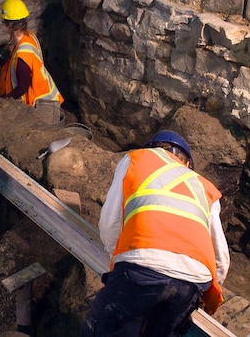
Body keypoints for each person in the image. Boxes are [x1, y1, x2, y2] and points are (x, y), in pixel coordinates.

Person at [80, 130, 230, 337]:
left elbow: (110, 222)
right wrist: (205, 294)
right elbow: (220, 258)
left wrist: (118, 259)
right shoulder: (205, 187)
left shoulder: (137, 158)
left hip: (142, 270)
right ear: (187, 163)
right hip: (192, 281)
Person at [0, 0, 64, 109]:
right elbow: (17, 66)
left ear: (9, 26)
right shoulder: (30, 37)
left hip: (40, 106)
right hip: (46, 99)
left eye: (4, 22)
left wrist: (3, 101)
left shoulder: (22, 54)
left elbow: (22, 88)